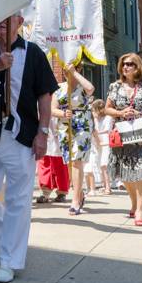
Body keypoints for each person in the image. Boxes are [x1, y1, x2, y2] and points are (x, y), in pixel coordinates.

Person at [0, 15, 57, 283]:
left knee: (18, 199)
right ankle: (9, 241)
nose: (1, 24)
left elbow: (45, 95)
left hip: (21, 135)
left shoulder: (33, 52)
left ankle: (9, 260)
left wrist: (42, 133)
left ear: (20, 21)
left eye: (7, 19)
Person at [104, 52, 142, 226]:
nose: (126, 67)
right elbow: (107, 109)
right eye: (123, 64)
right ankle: (133, 203)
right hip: (122, 137)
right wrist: (120, 112)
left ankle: (140, 210)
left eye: (130, 64)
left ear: (138, 66)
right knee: (125, 174)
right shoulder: (115, 87)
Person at [52, 64, 95, 215]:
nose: (66, 72)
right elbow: (52, 109)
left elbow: (90, 89)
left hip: (82, 125)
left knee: (77, 161)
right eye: (64, 70)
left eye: (69, 70)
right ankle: (79, 191)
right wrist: (63, 113)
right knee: (70, 162)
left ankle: (75, 200)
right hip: (65, 127)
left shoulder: (82, 85)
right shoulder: (59, 88)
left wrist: (74, 73)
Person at [36, 115, 68, 204]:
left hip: (61, 123)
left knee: (61, 162)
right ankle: (45, 192)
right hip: (45, 122)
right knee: (44, 160)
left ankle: (62, 192)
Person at [87, 100, 112, 195]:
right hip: (97, 144)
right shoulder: (96, 119)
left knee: (104, 165)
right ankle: (104, 185)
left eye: (94, 110)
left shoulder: (108, 118)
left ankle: (108, 187)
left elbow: (107, 130)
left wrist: (95, 133)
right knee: (99, 165)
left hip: (105, 143)